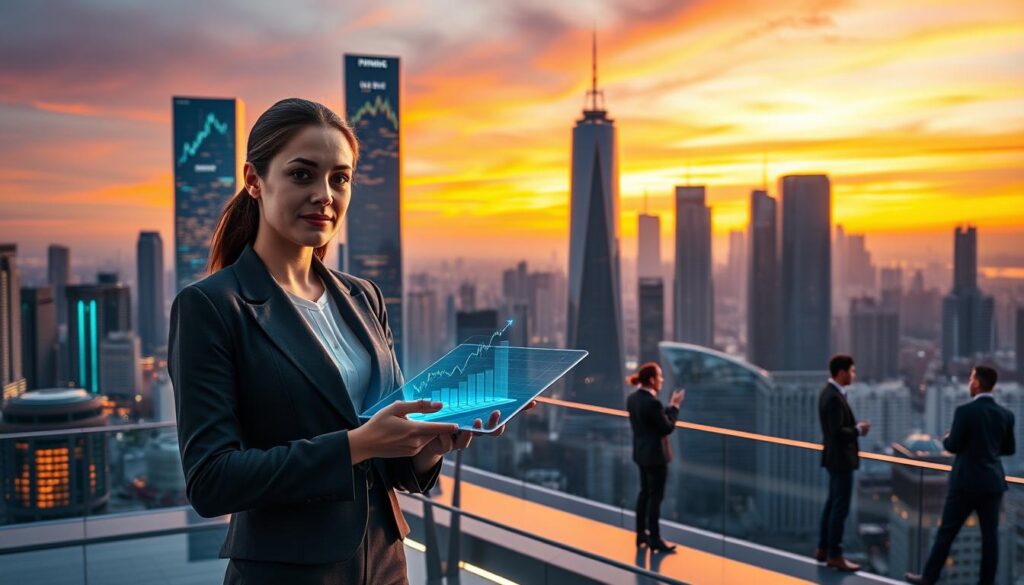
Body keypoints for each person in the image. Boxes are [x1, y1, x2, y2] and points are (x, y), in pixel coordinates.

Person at [169, 98, 528, 584]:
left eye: (340, 178)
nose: (325, 194)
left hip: (383, 562)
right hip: (286, 574)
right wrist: (355, 445)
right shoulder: (212, 307)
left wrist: (431, 443)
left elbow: (391, 460)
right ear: (255, 180)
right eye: (302, 175)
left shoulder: (363, 297)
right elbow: (212, 481)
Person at [905, 366, 1016, 585]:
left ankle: (929, 578)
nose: (969, 382)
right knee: (990, 538)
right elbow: (1009, 449)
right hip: (992, 483)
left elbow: (953, 445)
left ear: (976, 383)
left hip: (965, 482)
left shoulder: (965, 411)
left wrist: (947, 438)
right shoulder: (1006, 414)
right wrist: (988, 448)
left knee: (947, 532)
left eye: (971, 378)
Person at [815, 354, 870, 572]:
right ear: (841, 373)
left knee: (832, 504)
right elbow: (837, 433)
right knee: (840, 507)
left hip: (834, 459)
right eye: (852, 371)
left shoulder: (830, 394)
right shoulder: (834, 398)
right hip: (840, 460)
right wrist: (859, 430)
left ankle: (823, 548)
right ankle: (835, 554)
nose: (854, 375)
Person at [626, 362, 684, 553]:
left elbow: (654, 419)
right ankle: (655, 538)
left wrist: (667, 408)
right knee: (655, 498)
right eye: (659, 377)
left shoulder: (633, 399)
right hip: (656, 457)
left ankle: (641, 534)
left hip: (641, 454)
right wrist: (674, 407)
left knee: (644, 493)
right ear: (651, 380)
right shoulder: (652, 403)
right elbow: (666, 427)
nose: (662, 380)